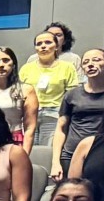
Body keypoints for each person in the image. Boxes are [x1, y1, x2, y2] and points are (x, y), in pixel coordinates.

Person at [51, 48, 104, 186]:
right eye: (86, 62)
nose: (90, 64)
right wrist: (55, 162)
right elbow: (61, 129)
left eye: (96, 60)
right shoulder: (72, 95)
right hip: (71, 154)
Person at [21, 28, 76, 156]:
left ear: (56, 46)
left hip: (54, 114)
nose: (43, 46)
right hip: (29, 115)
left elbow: (71, 95)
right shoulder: (26, 68)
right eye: (39, 44)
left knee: (47, 152)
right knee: (28, 153)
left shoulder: (67, 67)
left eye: (48, 42)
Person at [0, 45, 38, 150]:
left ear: (13, 64)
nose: (1, 65)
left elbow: (30, 127)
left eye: (6, 60)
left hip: (14, 139)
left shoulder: (26, 90)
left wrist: (25, 154)